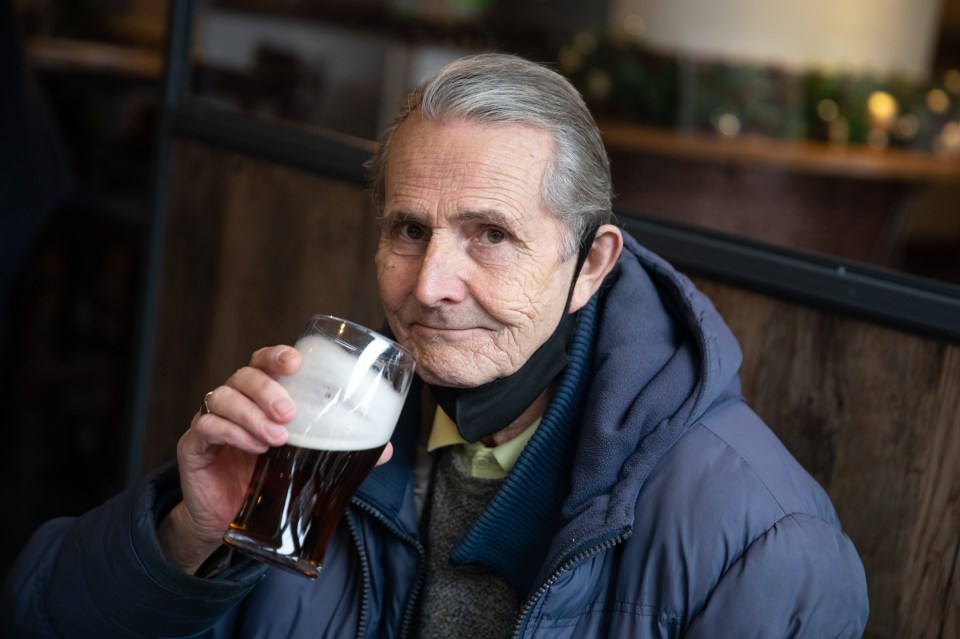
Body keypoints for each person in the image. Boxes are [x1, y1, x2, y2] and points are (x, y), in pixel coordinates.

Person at [2, 52, 869, 637]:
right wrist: (188, 536)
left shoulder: (764, 536)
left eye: (490, 233)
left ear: (591, 263)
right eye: (409, 229)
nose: (428, 284)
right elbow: (41, 615)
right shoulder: (329, 419)